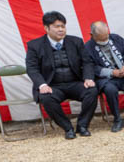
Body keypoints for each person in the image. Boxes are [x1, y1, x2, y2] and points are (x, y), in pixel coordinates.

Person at [25, 11, 97, 139]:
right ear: (46, 28)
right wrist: (42, 85)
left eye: (63, 26)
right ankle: (67, 128)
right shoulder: (34, 46)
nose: (61, 29)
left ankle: (83, 125)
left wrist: (88, 78)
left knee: (92, 90)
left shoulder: (76, 42)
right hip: (53, 85)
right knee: (45, 97)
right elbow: (32, 68)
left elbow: (87, 62)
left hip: (74, 83)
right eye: (56, 26)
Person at [84, 21, 124, 132]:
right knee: (110, 90)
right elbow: (91, 67)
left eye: (106, 37)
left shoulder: (116, 38)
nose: (105, 40)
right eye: (101, 39)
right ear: (92, 35)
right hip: (106, 79)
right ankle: (117, 119)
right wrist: (111, 72)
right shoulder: (87, 47)